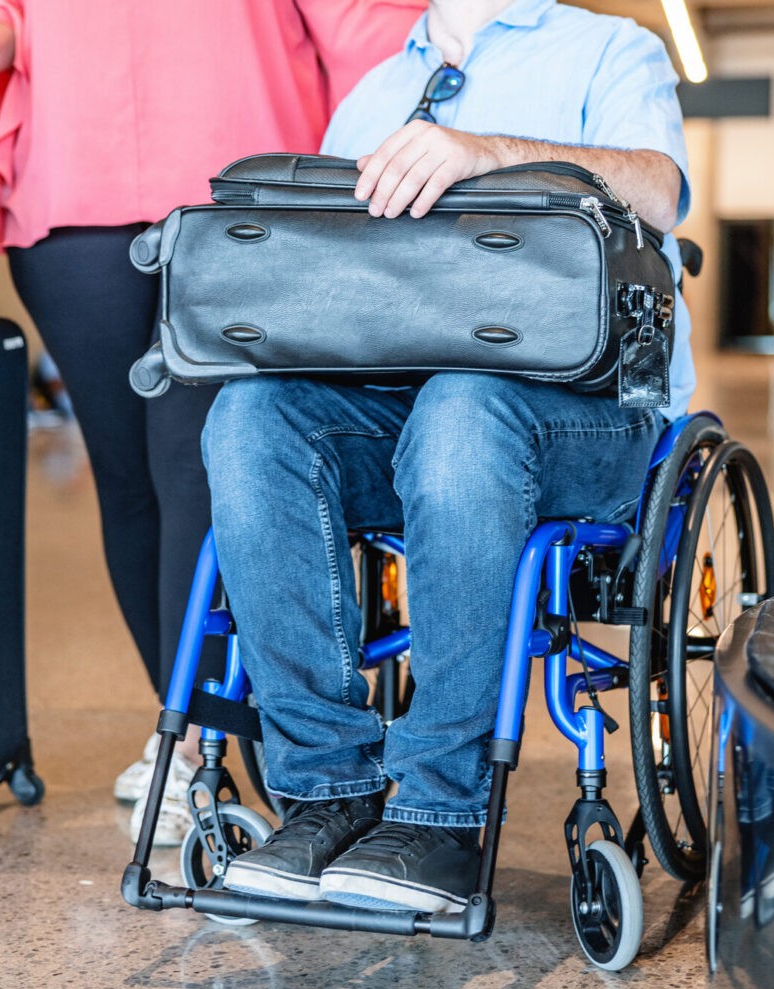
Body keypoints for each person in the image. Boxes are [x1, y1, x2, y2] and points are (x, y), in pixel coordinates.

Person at [203, 0, 695, 914]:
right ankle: (324, 790)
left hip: (588, 415)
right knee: (251, 416)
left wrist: (485, 152)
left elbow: (661, 191)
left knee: (463, 409)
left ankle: (439, 813)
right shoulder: (379, 89)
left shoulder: (609, 49)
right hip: (413, 408)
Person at [0, 0, 422, 845]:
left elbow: (357, 20)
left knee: (195, 471)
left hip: (236, 183)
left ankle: (202, 745)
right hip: (73, 186)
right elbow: (10, 10)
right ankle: (178, 713)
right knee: (126, 478)